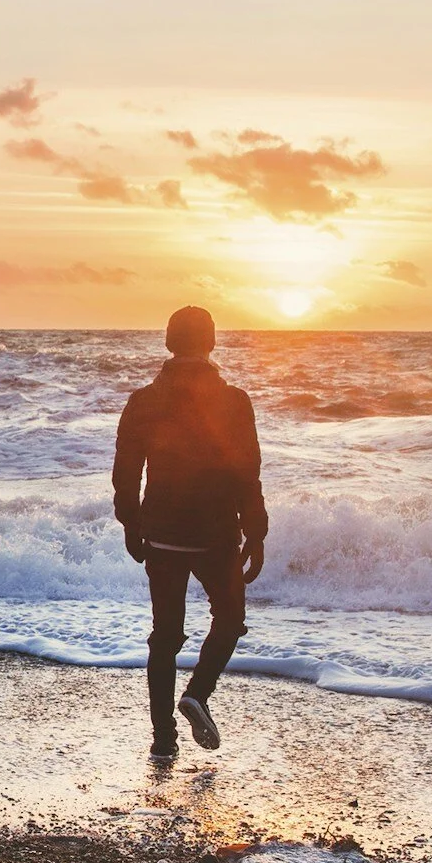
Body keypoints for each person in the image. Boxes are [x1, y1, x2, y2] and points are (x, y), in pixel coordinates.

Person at [112, 305, 267, 759]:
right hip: (217, 532)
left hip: (160, 531)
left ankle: (163, 739)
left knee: (165, 636)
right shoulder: (234, 400)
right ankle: (197, 694)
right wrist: (255, 532)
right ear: (212, 343)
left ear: (167, 341)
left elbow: (126, 470)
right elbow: (248, 472)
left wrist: (131, 523)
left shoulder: (143, 400)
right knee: (230, 620)